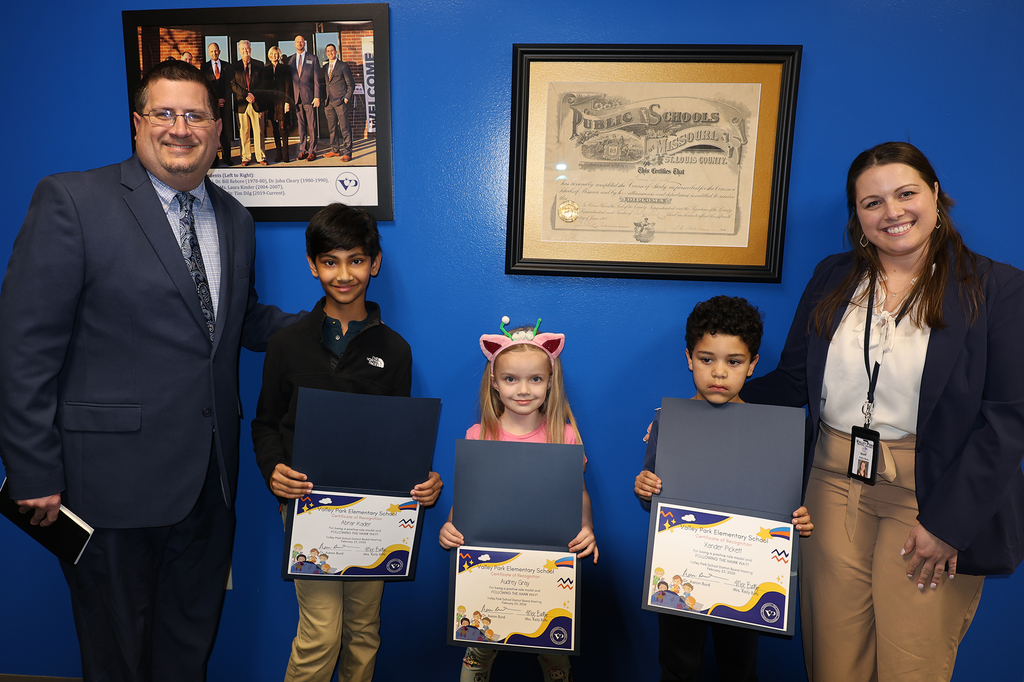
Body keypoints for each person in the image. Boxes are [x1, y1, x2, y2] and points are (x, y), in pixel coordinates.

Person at [0, 59, 300, 681]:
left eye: (195, 115)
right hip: (107, 488)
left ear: (219, 129)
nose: (180, 128)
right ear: (138, 125)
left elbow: (234, 321)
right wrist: (31, 469)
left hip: (208, 486)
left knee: (186, 648)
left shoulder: (235, 220)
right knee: (116, 658)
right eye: (164, 113)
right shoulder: (74, 200)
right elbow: (23, 344)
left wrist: (335, 326)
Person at [740, 141, 1024, 682]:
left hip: (931, 494)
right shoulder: (833, 276)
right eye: (872, 203)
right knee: (834, 664)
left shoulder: (997, 288)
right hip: (829, 485)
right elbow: (795, 379)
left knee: (910, 665)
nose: (892, 212)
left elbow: (1009, 420)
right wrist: (706, 418)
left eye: (906, 193)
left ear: (936, 196)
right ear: (858, 217)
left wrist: (949, 526)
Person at [251, 202, 442, 682]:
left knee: (363, 629)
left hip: (374, 514)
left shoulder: (395, 350)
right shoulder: (286, 344)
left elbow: (400, 436)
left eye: (356, 260)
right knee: (320, 633)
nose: (344, 274)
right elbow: (265, 423)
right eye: (331, 261)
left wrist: (423, 481)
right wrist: (275, 470)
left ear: (374, 264)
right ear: (313, 265)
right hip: (307, 507)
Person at [634, 296, 813, 682]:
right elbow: (655, 497)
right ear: (688, 358)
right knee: (679, 665)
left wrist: (799, 518)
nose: (719, 373)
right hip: (680, 571)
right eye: (706, 359)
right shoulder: (669, 423)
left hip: (745, 574)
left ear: (752, 365)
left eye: (733, 362)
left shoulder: (773, 432)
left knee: (739, 667)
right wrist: (645, 487)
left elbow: (788, 505)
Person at [439, 317, 598, 682]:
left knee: (555, 654)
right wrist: (450, 525)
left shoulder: (566, 436)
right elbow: (467, 497)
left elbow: (580, 493)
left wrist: (586, 526)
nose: (523, 389)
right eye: (511, 379)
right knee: (479, 648)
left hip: (547, 568)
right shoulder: (479, 435)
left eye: (535, 379)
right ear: (494, 383)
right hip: (490, 570)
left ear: (550, 382)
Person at [230, 39, 266, 166]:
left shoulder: (259, 64)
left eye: (247, 49)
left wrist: (253, 94)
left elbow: (263, 83)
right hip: (242, 103)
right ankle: (245, 157)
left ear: (250, 50)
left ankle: (260, 156)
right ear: (239, 51)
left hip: (256, 102)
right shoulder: (233, 67)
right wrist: (246, 95)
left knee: (259, 131)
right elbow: (233, 84)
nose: (245, 51)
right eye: (243, 49)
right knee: (244, 131)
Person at [200, 42, 234, 165]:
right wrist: (215, 101)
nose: (214, 53)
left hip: (225, 104)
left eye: (216, 51)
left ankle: (227, 158)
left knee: (226, 132)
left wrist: (224, 99)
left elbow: (231, 85)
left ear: (219, 51)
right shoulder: (204, 67)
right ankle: (214, 159)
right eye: (211, 51)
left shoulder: (227, 66)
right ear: (208, 53)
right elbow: (205, 87)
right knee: (213, 133)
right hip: (212, 106)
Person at [289, 35, 321, 162]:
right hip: (297, 99)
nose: (299, 43)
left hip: (309, 98)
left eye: (301, 41)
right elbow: (290, 81)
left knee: (312, 126)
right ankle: (303, 150)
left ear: (304, 43)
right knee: (301, 126)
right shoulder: (291, 60)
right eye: (297, 42)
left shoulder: (312, 58)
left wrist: (317, 96)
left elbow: (317, 79)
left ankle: (312, 151)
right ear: (294, 44)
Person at [321, 44, 355, 161]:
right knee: (332, 128)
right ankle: (335, 150)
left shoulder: (343, 66)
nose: (330, 53)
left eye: (332, 50)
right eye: (328, 51)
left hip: (341, 101)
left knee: (345, 127)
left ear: (336, 52)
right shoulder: (325, 67)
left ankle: (348, 152)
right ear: (326, 53)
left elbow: (351, 84)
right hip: (328, 102)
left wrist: (346, 98)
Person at [264, 45, 294, 163]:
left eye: (276, 54)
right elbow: (265, 88)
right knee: (275, 129)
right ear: (269, 55)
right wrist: (266, 104)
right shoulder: (266, 69)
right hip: (271, 102)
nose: (274, 56)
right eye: (272, 54)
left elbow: (288, 85)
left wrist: (287, 102)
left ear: (279, 55)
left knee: (283, 127)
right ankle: (279, 153)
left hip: (282, 101)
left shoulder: (285, 68)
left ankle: (286, 153)